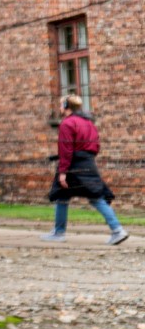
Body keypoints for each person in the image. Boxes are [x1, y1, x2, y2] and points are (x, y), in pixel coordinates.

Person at [42, 95, 129, 245]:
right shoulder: (88, 123)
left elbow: (66, 150)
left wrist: (63, 172)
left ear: (66, 106)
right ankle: (117, 230)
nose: (60, 108)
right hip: (88, 163)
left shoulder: (67, 123)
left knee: (63, 196)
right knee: (94, 196)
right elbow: (96, 146)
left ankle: (59, 233)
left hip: (73, 165)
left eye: (61, 105)